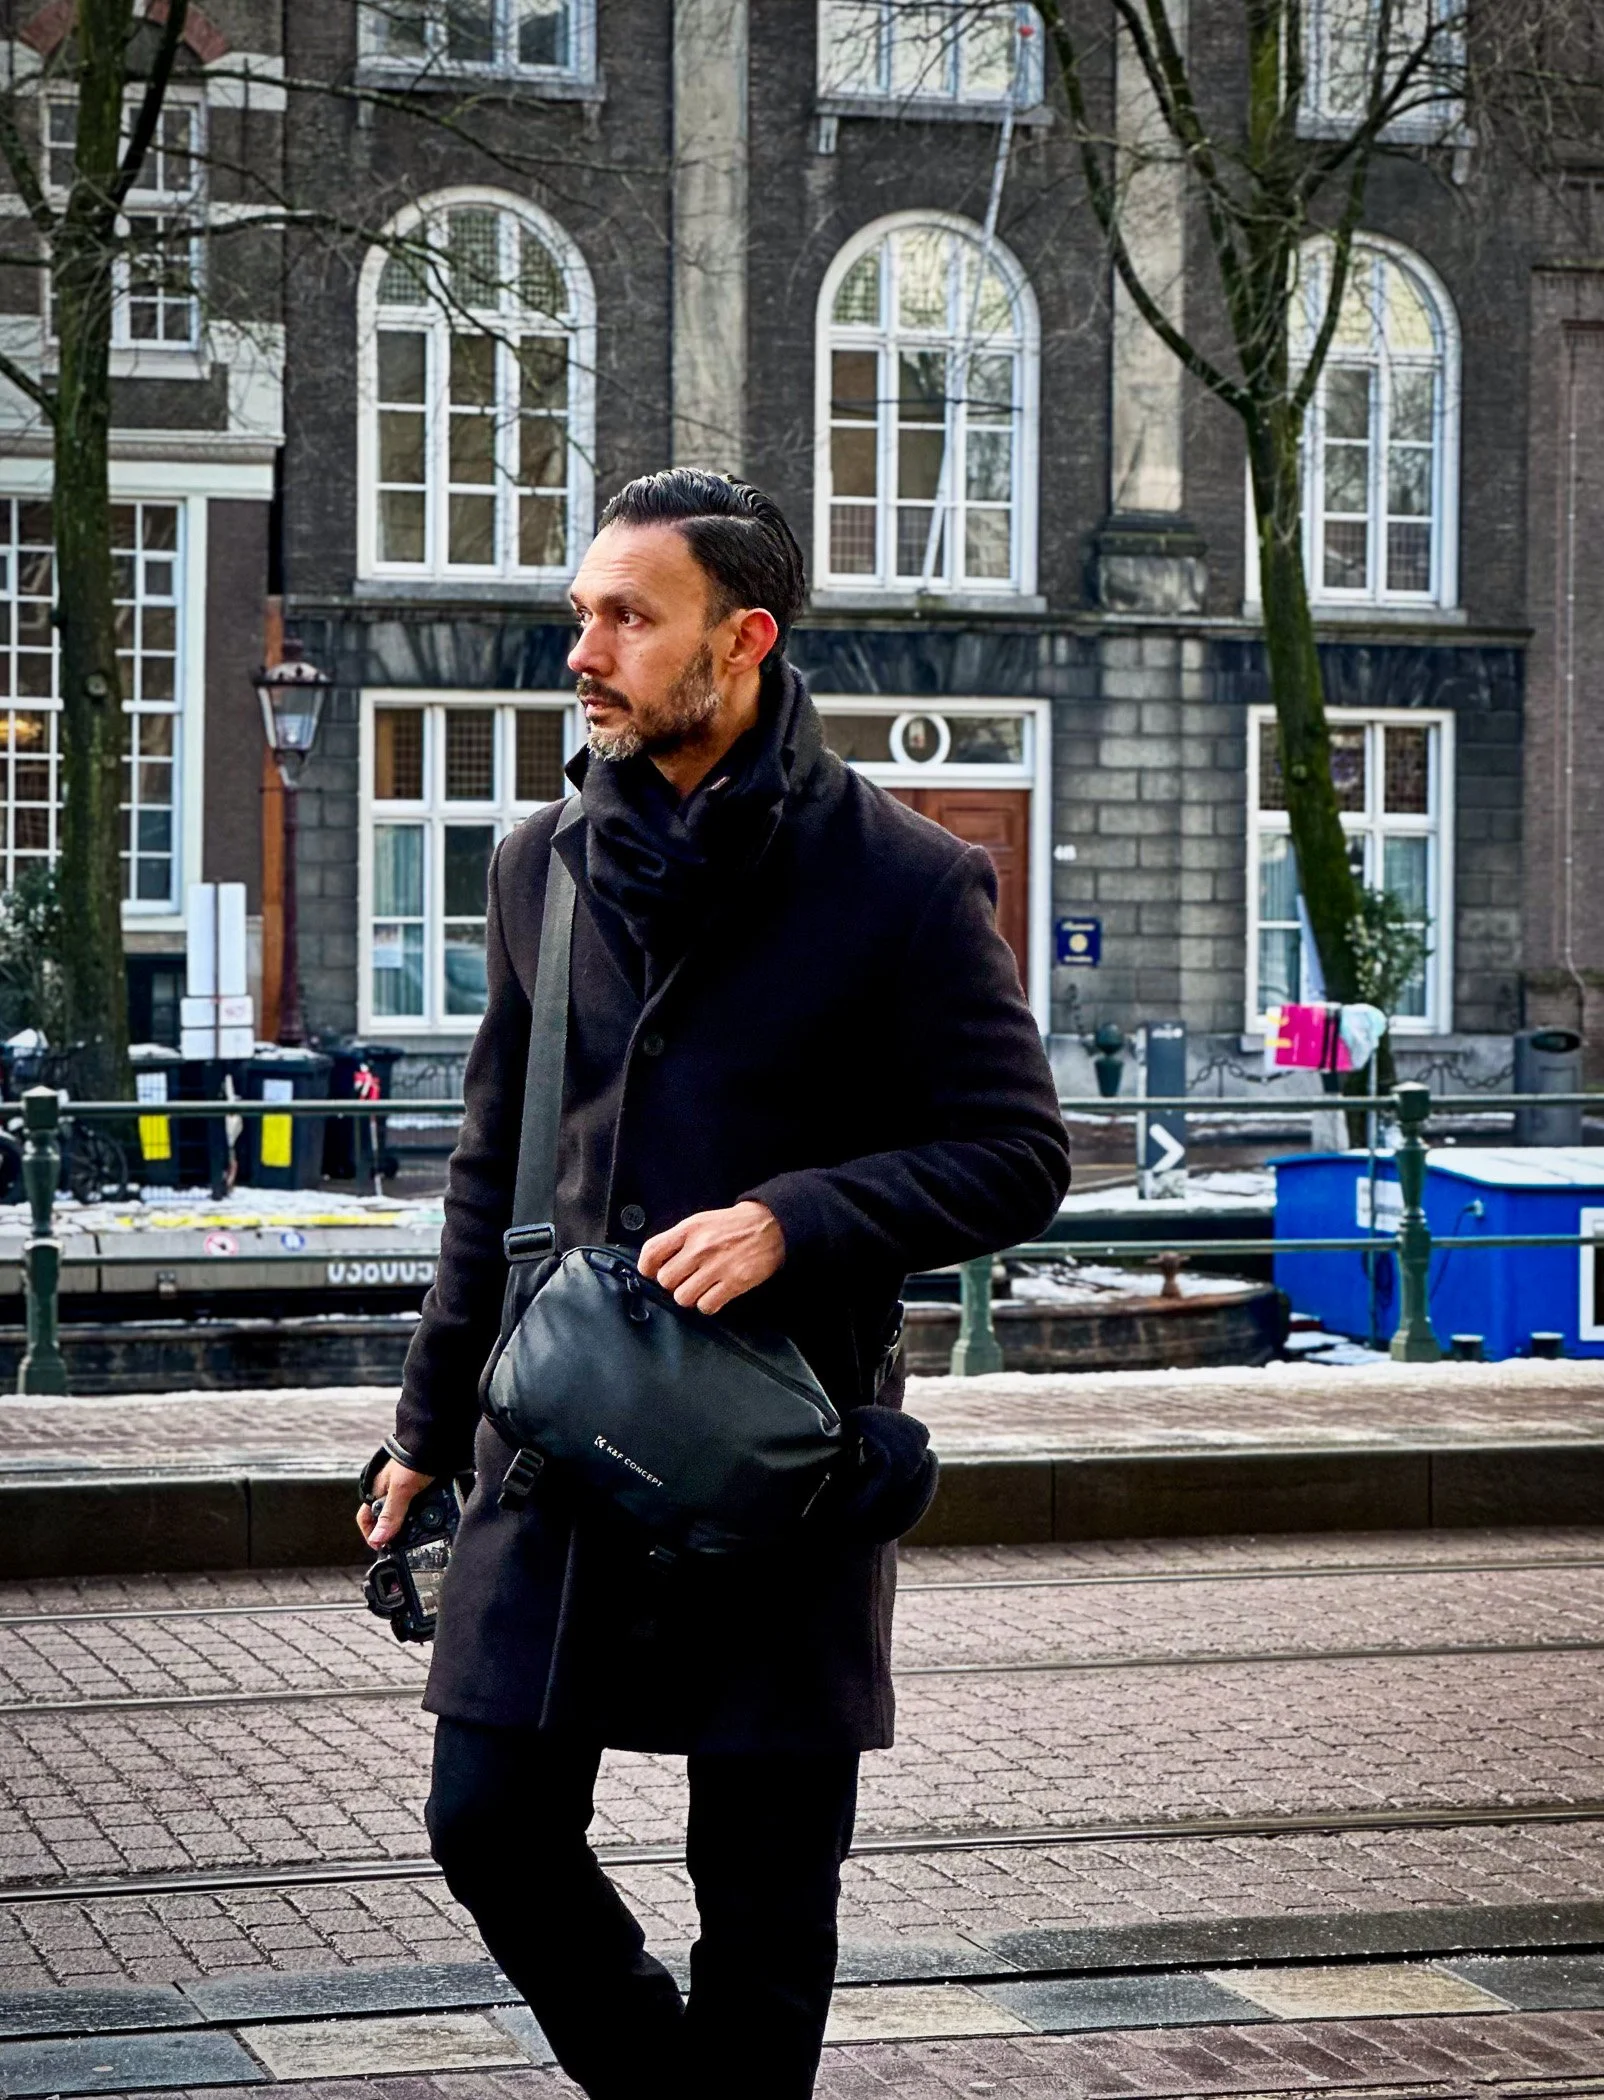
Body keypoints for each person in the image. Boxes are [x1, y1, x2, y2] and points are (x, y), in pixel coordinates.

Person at [358, 469, 1070, 2099]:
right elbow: (491, 1174)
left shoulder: (902, 881)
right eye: (580, 615)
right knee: (487, 1820)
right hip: (555, 1446)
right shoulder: (541, 861)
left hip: (776, 1459)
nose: (585, 652)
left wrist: (797, 1218)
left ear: (740, 641)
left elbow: (1020, 1155)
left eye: (627, 617)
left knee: (762, 1906)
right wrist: (421, 1432)